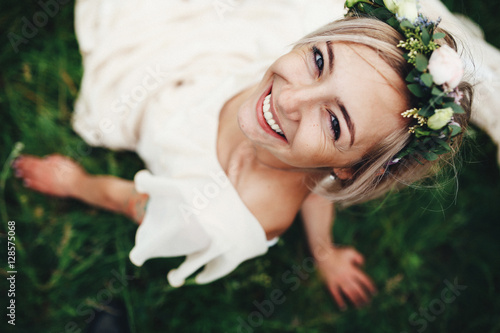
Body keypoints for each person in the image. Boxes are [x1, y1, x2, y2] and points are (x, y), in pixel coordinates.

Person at [12, 0, 474, 311]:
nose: (290, 102)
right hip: (199, 77)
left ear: (348, 166)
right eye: (319, 61)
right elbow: (319, 187)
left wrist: (75, 183)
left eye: (335, 122)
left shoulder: (213, 215)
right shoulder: (301, 137)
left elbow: (136, 202)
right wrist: (323, 250)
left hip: (165, 130)